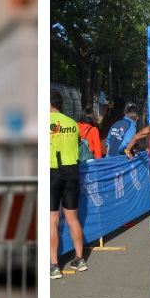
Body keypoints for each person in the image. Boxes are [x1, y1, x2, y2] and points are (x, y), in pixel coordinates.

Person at [50, 89, 88, 279]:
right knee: (73, 218)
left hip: (52, 171)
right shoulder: (72, 123)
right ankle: (79, 259)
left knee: (51, 219)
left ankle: (54, 265)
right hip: (72, 172)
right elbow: (78, 144)